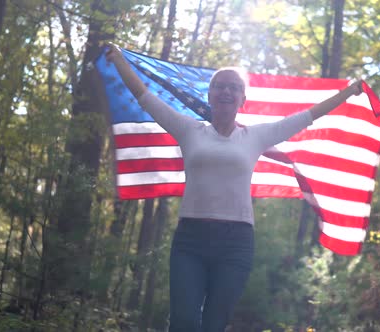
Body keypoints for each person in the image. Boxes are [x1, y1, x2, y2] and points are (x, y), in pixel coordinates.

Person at [105, 43, 364, 332]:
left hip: (235, 244)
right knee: (184, 322)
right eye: (219, 86)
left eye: (233, 88)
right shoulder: (189, 130)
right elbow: (144, 97)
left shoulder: (255, 136)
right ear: (210, 94)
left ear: (243, 99)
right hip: (191, 241)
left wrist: (347, 93)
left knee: (213, 324)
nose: (226, 91)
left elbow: (308, 117)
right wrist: (117, 60)